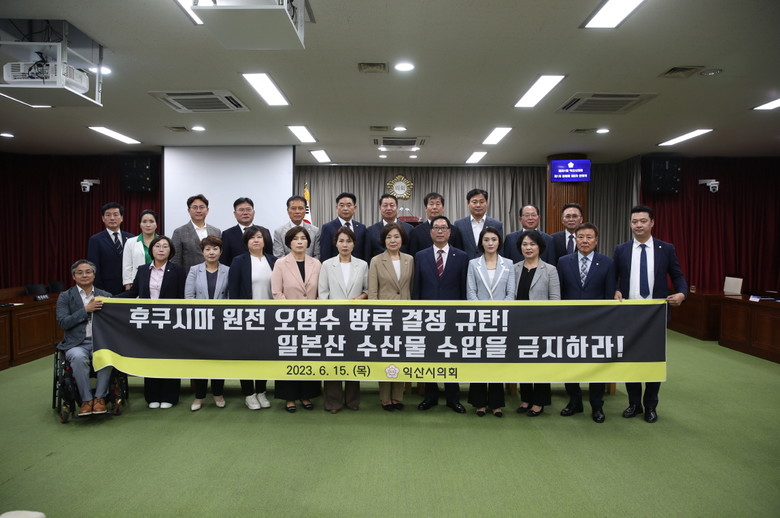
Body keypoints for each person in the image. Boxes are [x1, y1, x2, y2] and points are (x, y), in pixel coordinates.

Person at [614, 205, 688, 423]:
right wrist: (615, 290)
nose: (638, 225)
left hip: (655, 314)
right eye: (634, 221)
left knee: (653, 361)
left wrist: (682, 293)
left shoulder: (666, 249)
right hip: (629, 314)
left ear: (652, 223)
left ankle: (650, 405)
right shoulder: (621, 249)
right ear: (630, 224)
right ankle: (634, 404)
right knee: (631, 360)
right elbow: (613, 277)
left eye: (643, 221)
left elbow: (678, 276)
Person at [556, 223, 615, 423]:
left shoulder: (607, 263)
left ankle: (597, 406)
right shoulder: (564, 262)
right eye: (580, 237)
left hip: (597, 324)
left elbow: (609, 296)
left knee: (596, 366)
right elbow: (560, 294)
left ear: (596, 240)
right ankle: (574, 401)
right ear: (575, 239)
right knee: (570, 364)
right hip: (569, 322)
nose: (584, 241)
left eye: (589, 237)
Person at [120, 236, 186, 408]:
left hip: (170, 321)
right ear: (151, 250)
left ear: (171, 251)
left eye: (165, 246)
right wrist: (110, 299)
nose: (161, 249)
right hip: (148, 321)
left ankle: (170, 396)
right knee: (150, 357)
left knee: (170, 358)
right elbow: (133, 292)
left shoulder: (178, 270)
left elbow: (182, 297)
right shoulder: (143, 270)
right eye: (157, 246)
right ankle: (152, 396)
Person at [412, 215, 468, 413]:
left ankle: (453, 398)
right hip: (427, 316)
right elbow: (417, 287)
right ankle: (430, 396)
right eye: (436, 227)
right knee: (429, 355)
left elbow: (463, 288)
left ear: (450, 232)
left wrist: (462, 314)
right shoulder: (420, 256)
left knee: (451, 355)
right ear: (431, 232)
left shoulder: (462, 256)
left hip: (453, 316)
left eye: (444, 228)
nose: (440, 231)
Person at [271, 226, 322, 412]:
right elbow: (276, 292)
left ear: (308, 242)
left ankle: (306, 395)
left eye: (303, 238)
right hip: (288, 319)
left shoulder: (316, 263)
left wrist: (315, 308)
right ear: (288, 243)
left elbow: (321, 291)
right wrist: (291, 312)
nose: (300, 242)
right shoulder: (280, 263)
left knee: (309, 356)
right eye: (295, 239)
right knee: (289, 356)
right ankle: (289, 397)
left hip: (312, 318)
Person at [318, 226, 368, 413]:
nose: (345, 245)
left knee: (354, 357)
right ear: (336, 243)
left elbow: (367, 290)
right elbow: (323, 293)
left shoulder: (362, 265)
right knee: (333, 359)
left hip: (356, 319)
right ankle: (333, 402)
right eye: (341, 241)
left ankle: (353, 400)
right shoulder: (327, 265)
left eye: (348, 241)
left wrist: (360, 298)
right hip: (332, 319)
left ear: (354, 244)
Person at [465, 227, 515, 417]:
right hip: (479, 319)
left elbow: (511, 293)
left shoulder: (508, 264)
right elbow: (471, 292)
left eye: (494, 239)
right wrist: (483, 312)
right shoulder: (473, 264)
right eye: (486, 240)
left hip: (501, 319)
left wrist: (499, 312)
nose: (490, 243)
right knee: (479, 360)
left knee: (496, 360)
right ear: (481, 243)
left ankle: (496, 403)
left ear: (499, 242)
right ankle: (479, 403)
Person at [227, 225, 278, 410]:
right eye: (252, 237)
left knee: (264, 355)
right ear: (246, 242)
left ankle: (261, 391)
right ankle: (249, 394)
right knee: (246, 356)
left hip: (269, 317)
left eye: (259, 237)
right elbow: (233, 291)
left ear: (265, 240)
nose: (256, 240)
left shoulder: (273, 261)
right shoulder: (239, 261)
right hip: (246, 317)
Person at [513, 230, 561, 417]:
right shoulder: (514, 268)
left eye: (532, 244)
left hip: (542, 325)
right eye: (524, 244)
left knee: (540, 364)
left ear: (540, 247)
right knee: (523, 363)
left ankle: (539, 402)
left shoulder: (550, 270)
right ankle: (526, 399)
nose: (528, 248)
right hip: (519, 324)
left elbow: (555, 300)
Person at [55, 260, 112, 416]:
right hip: (76, 344)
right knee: (79, 357)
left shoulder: (106, 296)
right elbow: (63, 322)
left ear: (94, 275)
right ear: (74, 276)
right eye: (79, 273)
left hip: (100, 342)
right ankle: (86, 400)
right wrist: (85, 310)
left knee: (106, 356)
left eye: (88, 272)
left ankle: (100, 398)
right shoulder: (65, 297)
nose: (84, 275)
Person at [368, 223, 414, 411]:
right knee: (385, 355)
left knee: (401, 354)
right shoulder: (376, 261)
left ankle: (397, 396)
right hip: (384, 315)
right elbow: (372, 292)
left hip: (405, 314)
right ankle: (385, 398)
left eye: (396, 236)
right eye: (388, 237)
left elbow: (411, 287)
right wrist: (375, 314)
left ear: (402, 239)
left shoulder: (410, 259)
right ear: (383, 240)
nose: (392, 240)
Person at [185, 236, 230, 411]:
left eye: (215, 249)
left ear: (221, 251)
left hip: (220, 323)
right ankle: (199, 396)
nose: (211, 252)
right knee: (201, 360)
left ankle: (218, 393)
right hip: (200, 322)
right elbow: (189, 297)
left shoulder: (228, 270)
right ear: (202, 252)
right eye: (208, 249)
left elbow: (230, 298)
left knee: (219, 360)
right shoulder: (194, 270)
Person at [87, 202, 133, 295]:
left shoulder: (131, 238)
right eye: (108, 215)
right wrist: (100, 291)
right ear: (103, 218)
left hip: (130, 288)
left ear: (122, 218)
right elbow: (94, 267)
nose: (112, 218)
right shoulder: (95, 240)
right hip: (107, 289)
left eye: (115, 214)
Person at [170, 194, 221, 273]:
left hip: (213, 276)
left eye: (202, 207)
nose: (198, 210)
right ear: (188, 210)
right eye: (194, 207)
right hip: (189, 277)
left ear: (207, 210)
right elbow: (175, 261)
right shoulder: (179, 232)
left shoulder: (216, 231)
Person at [453, 189, 504, 259]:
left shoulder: (496, 224)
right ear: (468, 203)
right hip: (465, 264)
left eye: (481, 202)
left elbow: (500, 249)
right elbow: (456, 249)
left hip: (488, 263)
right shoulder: (459, 224)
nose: (478, 205)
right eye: (474, 202)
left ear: (487, 203)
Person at [220, 197, 272, 266]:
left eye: (248, 209)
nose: (245, 213)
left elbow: (270, 256)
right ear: (235, 214)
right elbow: (223, 261)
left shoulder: (264, 232)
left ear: (253, 212)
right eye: (241, 210)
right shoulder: (227, 234)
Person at [364, 194, 413, 260]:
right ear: (380, 208)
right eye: (385, 205)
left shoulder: (409, 229)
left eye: (392, 205)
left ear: (397, 207)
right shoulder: (370, 231)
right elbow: (367, 255)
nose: (388, 208)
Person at [319, 192, 366, 261]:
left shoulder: (361, 228)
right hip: (335, 266)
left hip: (357, 266)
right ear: (337, 208)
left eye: (349, 205)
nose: (345, 208)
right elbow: (325, 254)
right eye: (342, 205)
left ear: (355, 208)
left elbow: (364, 253)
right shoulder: (328, 228)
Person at [122, 209, 159, 290]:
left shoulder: (163, 242)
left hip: (159, 282)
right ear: (140, 224)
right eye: (144, 221)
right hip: (137, 283)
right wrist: (128, 286)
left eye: (151, 221)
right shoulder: (130, 242)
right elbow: (127, 266)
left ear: (156, 224)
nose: (148, 225)